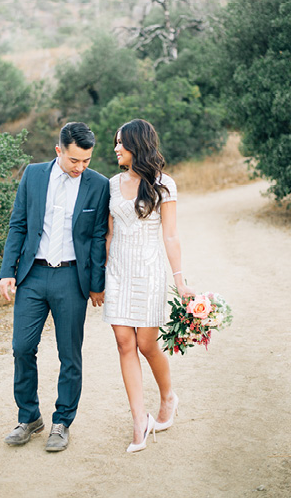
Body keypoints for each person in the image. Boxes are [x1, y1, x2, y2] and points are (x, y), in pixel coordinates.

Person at [0, 122, 109, 452]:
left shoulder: (98, 185)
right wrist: (8, 272)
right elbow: (18, 224)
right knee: (22, 348)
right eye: (75, 160)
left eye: (87, 161)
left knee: (69, 355)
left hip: (72, 279)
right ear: (58, 150)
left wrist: (96, 285)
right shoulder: (32, 175)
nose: (81, 167)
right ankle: (29, 417)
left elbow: (98, 237)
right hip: (33, 276)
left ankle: (62, 422)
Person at [101, 119, 190, 453]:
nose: (116, 148)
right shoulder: (111, 184)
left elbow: (171, 235)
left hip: (150, 272)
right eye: (115, 142)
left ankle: (168, 396)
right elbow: (108, 234)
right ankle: (139, 420)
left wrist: (181, 281)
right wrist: (101, 277)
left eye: (121, 143)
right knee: (125, 342)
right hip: (119, 272)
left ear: (138, 145)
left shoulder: (164, 184)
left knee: (147, 342)